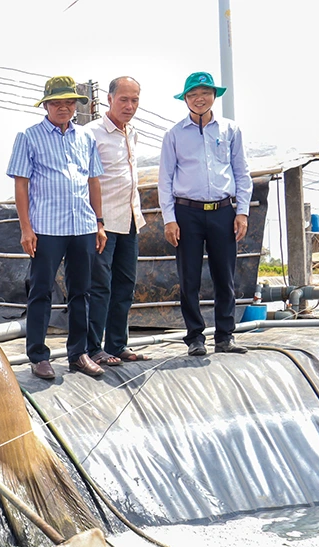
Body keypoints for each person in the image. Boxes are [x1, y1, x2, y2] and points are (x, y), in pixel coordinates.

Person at [7, 75, 107, 381]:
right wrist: (26, 229)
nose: (63, 108)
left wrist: (99, 223)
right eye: (56, 103)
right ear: (46, 105)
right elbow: (21, 184)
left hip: (82, 225)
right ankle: (38, 356)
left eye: (69, 102)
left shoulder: (85, 138)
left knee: (81, 292)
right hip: (47, 227)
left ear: (76, 106)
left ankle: (79, 353)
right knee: (41, 291)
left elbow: (93, 181)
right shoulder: (29, 136)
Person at [158, 71, 252, 356]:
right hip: (187, 213)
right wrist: (169, 219)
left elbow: (241, 172)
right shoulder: (174, 135)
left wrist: (243, 212)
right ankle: (195, 337)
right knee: (189, 278)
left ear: (214, 96)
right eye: (193, 95)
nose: (199, 99)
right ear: (185, 99)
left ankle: (225, 336)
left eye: (205, 93)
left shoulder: (230, 130)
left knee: (225, 275)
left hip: (223, 210)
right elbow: (165, 179)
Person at [85, 76, 150, 365]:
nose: (129, 105)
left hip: (130, 220)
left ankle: (117, 344)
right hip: (102, 222)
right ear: (109, 99)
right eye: (123, 99)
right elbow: (87, 180)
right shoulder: (91, 133)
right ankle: (92, 348)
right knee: (100, 287)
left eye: (135, 100)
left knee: (125, 285)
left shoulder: (131, 133)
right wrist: (96, 222)